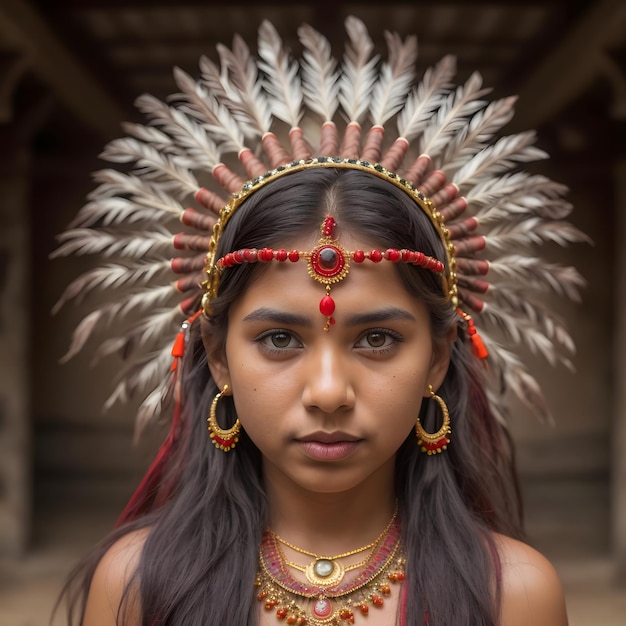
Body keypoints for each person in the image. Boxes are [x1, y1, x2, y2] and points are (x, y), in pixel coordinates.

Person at [53, 16, 586, 626]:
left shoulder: (514, 596)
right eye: (279, 339)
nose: (329, 391)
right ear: (219, 354)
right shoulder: (137, 586)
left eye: (378, 339)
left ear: (437, 358)